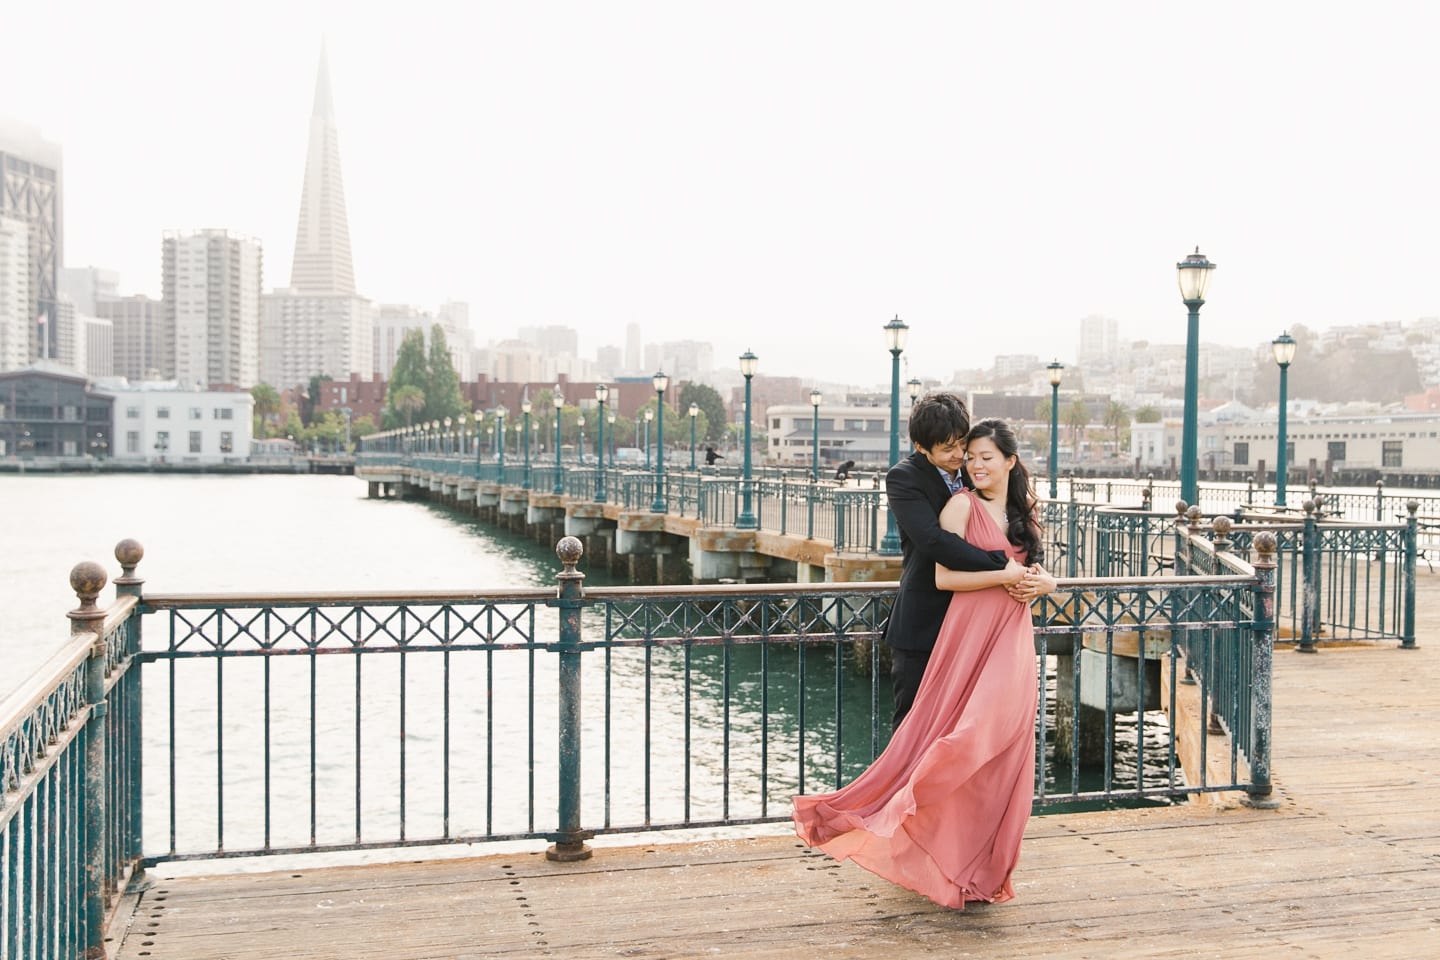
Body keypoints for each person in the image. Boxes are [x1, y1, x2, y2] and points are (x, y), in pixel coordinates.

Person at [793, 417, 1057, 909]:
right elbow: (943, 572)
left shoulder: (1023, 511)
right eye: (966, 453)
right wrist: (1006, 574)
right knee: (961, 739)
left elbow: (1037, 570)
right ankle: (905, 829)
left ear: (1010, 461)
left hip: (1011, 637)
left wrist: (1047, 583)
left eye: (982, 455)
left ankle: (980, 867)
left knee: (1007, 748)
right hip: (967, 632)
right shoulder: (958, 503)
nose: (971, 462)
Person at [880, 391, 1023, 729]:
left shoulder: (977, 472)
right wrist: (1000, 567)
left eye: (962, 444)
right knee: (913, 727)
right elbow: (933, 541)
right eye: (948, 449)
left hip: (977, 626)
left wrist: (1039, 578)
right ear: (921, 447)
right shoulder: (904, 478)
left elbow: (1014, 532)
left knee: (966, 728)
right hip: (925, 624)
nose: (960, 455)